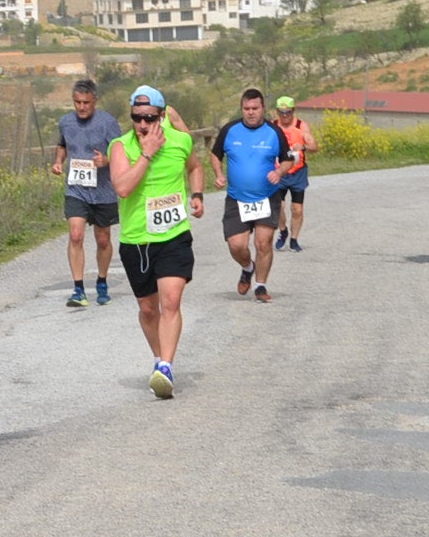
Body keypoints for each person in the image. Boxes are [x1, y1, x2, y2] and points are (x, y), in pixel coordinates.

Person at [109, 85, 205, 397]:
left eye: (149, 117)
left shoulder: (180, 141)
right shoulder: (121, 147)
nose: (142, 124)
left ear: (161, 116)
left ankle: (165, 366)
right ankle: (157, 356)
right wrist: (147, 153)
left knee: (171, 301)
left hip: (174, 234)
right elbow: (123, 188)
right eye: (137, 117)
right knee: (148, 309)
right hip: (136, 239)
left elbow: (195, 167)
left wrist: (198, 194)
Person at [48, 77, 124, 306]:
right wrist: (58, 162)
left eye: (86, 103)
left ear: (95, 101)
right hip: (76, 189)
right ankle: (78, 289)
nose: (81, 107)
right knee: (76, 235)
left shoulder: (108, 123)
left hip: (103, 191)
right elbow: (62, 145)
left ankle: (102, 281)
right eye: (77, 102)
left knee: (103, 240)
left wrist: (107, 159)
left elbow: (123, 152)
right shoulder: (66, 122)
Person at [210, 86, 285, 302]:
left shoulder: (274, 132)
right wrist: (218, 173)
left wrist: (279, 172)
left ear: (263, 109)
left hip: (266, 197)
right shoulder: (230, 130)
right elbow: (215, 154)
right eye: (246, 108)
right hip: (237, 198)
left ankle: (260, 286)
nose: (251, 112)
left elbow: (288, 158)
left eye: (255, 108)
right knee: (237, 245)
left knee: (264, 242)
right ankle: (247, 267)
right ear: (242, 109)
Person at [270, 95, 317, 250]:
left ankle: (294, 239)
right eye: (281, 112)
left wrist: (303, 147)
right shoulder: (272, 126)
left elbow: (315, 146)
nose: (284, 116)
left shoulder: (301, 126)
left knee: (297, 209)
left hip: (298, 172)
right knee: (278, 206)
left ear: (293, 111)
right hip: (279, 172)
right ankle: (283, 231)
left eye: (288, 112)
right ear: (277, 112)